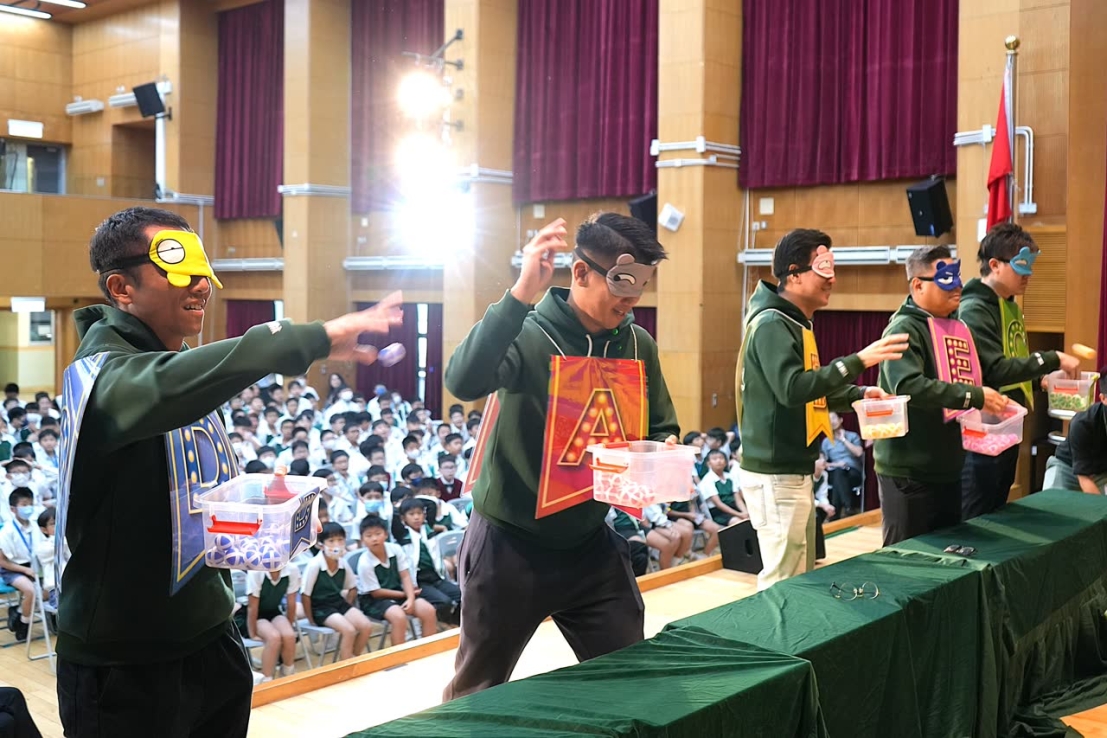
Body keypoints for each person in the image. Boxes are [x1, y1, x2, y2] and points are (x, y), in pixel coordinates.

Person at [54, 207, 403, 737]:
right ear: (121, 288)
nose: (201, 284)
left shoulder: (180, 362)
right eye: (179, 270)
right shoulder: (98, 377)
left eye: (203, 271)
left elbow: (192, 495)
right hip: (127, 661)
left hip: (212, 636)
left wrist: (268, 517)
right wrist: (303, 339)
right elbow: (161, 386)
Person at [442, 214, 679, 699]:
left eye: (641, 287)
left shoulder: (638, 344)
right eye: (622, 285)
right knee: (476, 692)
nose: (631, 300)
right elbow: (462, 381)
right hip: (509, 545)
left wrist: (664, 446)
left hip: (590, 543)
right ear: (581, 272)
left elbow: (661, 424)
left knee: (631, 677)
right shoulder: (527, 334)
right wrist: (520, 293)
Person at [737, 229, 908, 590]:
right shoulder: (772, 322)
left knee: (797, 573)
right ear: (794, 274)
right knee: (782, 579)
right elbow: (792, 389)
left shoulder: (794, 322)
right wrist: (858, 360)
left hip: (792, 469)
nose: (832, 278)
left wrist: (858, 395)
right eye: (823, 268)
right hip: (776, 472)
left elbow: (811, 392)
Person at [874, 245, 1010, 546]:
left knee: (946, 558)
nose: (957, 286)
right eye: (946, 278)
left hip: (948, 466)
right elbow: (909, 386)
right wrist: (974, 396)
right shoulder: (903, 328)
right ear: (918, 285)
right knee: (909, 558)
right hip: (910, 470)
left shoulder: (956, 326)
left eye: (957, 276)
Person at [958, 223, 1080, 518]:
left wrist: (1040, 380)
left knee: (996, 510)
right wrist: (1051, 358)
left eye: (1030, 265)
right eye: (1021, 265)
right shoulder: (975, 308)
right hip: (982, 429)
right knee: (977, 515)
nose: (1028, 274)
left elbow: (1012, 357)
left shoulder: (1007, 306)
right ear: (994, 265)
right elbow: (995, 369)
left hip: (1006, 425)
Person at [355, 514, 438, 646]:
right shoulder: (364, 562)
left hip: (397, 591)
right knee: (399, 617)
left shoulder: (395, 549)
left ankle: (429, 650)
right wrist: (405, 595)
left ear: (386, 534)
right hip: (373, 600)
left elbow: (405, 576)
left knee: (428, 610)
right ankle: (399, 656)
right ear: (362, 539)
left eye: (378, 534)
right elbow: (376, 592)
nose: (374, 539)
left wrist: (410, 599)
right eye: (369, 536)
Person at [302, 522, 374, 660]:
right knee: (349, 630)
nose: (336, 545)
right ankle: (346, 665)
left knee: (366, 626)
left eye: (340, 540)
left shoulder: (343, 563)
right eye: (331, 541)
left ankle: (354, 658)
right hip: (320, 608)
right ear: (320, 545)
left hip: (338, 603)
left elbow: (352, 588)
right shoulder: (315, 565)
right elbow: (305, 595)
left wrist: (348, 606)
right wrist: (311, 619)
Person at [395, 499, 462, 625]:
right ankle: (444, 624)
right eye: (411, 514)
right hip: (418, 582)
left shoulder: (428, 530)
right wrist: (400, 505)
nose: (416, 517)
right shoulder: (402, 534)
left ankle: (455, 623)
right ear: (403, 518)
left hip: (436, 576)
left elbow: (431, 504)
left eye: (419, 513)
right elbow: (395, 516)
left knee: (463, 595)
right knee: (444, 602)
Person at [1042, 370, 1107, 494]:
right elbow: (1084, 478)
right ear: (1103, 398)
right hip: (1067, 467)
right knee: (1051, 501)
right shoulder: (1083, 423)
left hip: (1102, 473)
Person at [233, 565, 301, 682]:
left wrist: (289, 624)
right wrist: (253, 633)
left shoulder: (292, 570)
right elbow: (252, 607)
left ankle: (288, 675)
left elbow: (291, 603)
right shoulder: (256, 572)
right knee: (274, 637)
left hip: (273, 611)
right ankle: (266, 680)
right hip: (251, 616)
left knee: (289, 636)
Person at [0, 488, 42, 642]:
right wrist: (25, 570)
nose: (28, 507)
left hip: (34, 566)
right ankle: (24, 624)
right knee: (31, 591)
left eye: (30, 504)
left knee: (49, 591)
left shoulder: (36, 526)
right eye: (24, 504)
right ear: (13, 509)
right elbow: (2, 561)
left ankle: (17, 611)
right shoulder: (7, 531)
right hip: (12, 569)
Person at [820, 412, 865, 519]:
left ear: (841, 420)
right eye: (828, 420)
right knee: (838, 473)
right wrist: (836, 464)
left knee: (838, 476)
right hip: (835, 471)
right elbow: (822, 463)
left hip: (853, 472)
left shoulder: (852, 436)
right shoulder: (826, 442)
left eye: (834, 418)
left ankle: (835, 515)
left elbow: (859, 453)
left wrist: (843, 440)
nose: (831, 422)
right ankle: (848, 507)